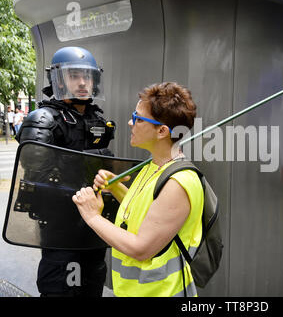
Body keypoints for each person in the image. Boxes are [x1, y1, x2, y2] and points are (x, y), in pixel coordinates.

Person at [72, 82, 204, 297]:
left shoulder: (179, 182)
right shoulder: (154, 166)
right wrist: (117, 188)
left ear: (161, 131)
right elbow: (150, 215)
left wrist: (92, 216)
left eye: (139, 119)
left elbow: (141, 248)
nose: (130, 122)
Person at [16, 46, 115, 297]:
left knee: (92, 285)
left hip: (94, 223)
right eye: (74, 76)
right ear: (58, 79)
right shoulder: (42, 120)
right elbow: (38, 175)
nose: (83, 82)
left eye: (87, 76)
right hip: (60, 223)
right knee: (60, 288)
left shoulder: (98, 120)